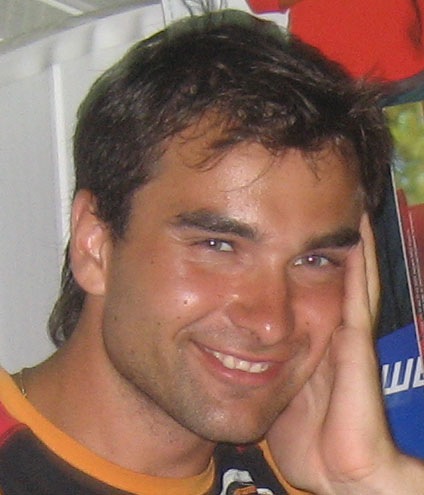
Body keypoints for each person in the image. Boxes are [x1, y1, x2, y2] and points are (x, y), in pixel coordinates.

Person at [0, 9, 423, 495]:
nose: (271, 322)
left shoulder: (309, 466)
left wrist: (369, 478)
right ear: (95, 244)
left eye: (314, 261)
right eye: (218, 246)